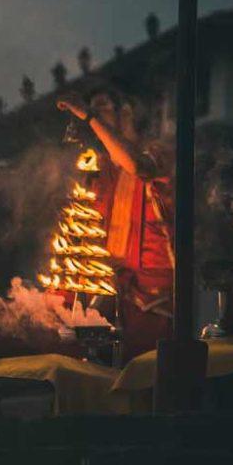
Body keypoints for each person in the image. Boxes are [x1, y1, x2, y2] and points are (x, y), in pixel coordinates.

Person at [57, 85, 175, 363]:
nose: (97, 115)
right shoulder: (104, 167)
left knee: (145, 370)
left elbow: (137, 166)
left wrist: (89, 117)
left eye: (103, 107)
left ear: (128, 112)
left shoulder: (159, 154)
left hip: (152, 296)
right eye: (95, 108)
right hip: (112, 287)